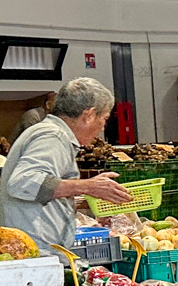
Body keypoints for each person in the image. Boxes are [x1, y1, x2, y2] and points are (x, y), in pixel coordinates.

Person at [1, 78, 130, 248]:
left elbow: (39, 192)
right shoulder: (53, 136)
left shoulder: (49, 133)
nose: (103, 128)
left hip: (37, 251)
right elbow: (23, 182)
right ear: (89, 115)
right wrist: (87, 186)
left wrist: (81, 198)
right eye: (104, 119)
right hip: (37, 255)